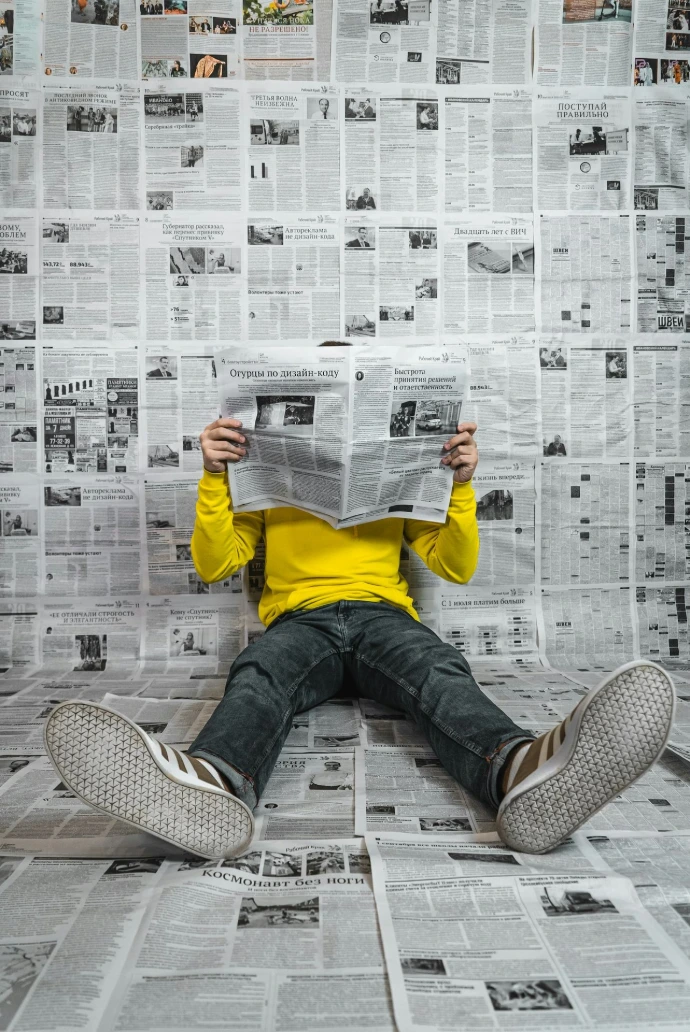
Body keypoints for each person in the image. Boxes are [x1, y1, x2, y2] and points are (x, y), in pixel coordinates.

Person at [44, 344, 676, 861]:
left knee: (438, 669)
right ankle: (212, 785)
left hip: (383, 617)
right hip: (300, 620)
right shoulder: (265, 478)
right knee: (260, 675)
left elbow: (455, 566)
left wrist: (459, 486)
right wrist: (214, 478)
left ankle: (518, 772)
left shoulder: (405, 469)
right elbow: (217, 562)